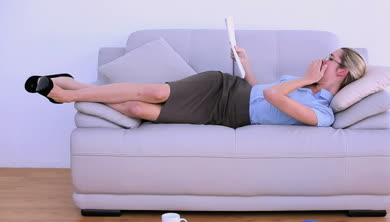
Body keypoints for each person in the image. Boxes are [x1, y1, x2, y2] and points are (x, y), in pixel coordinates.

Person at [25, 47, 366, 128]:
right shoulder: (300, 81)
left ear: (344, 74)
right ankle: (65, 94)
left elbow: (274, 98)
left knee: (138, 110)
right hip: (221, 87)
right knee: (156, 93)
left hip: (224, 115)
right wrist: (244, 63)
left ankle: (73, 84)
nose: (323, 61)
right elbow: (260, 88)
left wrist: (307, 79)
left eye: (331, 60)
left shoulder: (322, 115)